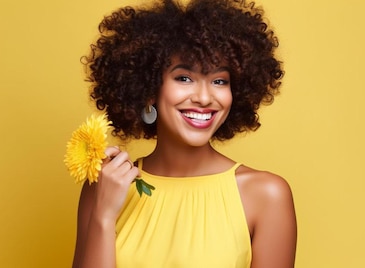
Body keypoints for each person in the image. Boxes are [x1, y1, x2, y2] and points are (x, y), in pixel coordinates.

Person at [72, 0, 297, 267]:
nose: (204, 97)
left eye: (219, 81)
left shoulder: (266, 195)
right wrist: (104, 217)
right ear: (148, 88)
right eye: (184, 78)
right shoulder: (103, 186)